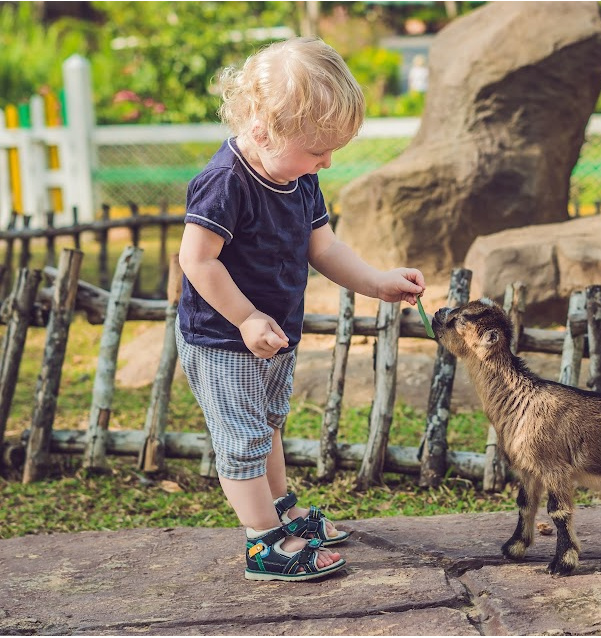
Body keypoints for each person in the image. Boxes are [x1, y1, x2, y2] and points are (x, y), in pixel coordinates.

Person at [175, 37, 426, 582]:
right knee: (242, 439)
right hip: (222, 338)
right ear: (264, 129)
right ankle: (264, 543)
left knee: (267, 427)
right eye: (317, 151)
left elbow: (325, 249)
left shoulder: (299, 176)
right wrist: (244, 318)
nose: (326, 163)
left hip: (271, 334)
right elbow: (196, 260)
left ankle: (280, 508)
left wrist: (376, 282)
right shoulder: (225, 183)